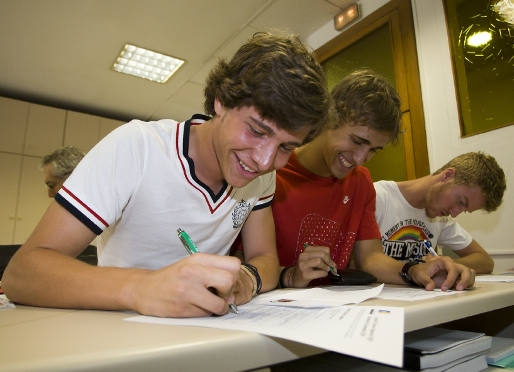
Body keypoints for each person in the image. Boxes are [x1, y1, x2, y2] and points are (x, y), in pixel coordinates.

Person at [2, 32, 332, 318]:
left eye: (286, 147)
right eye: (256, 130)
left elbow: (265, 258)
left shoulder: (262, 174)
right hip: (119, 328)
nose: (264, 160)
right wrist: (143, 287)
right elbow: (22, 273)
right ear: (221, 101)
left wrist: (247, 278)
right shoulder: (136, 146)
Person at [273, 69, 475, 291]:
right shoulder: (274, 172)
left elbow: (370, 259)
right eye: (357, 140)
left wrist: (414, 270)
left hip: (336, 309)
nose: (361, 159)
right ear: (328, 117)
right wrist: (290, 274)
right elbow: (248, 262)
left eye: (374, 150)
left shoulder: (360, 181)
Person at [375, 151, 505, 274]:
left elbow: (485, 261)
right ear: (447, 175)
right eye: (460, 202)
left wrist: (443, 264)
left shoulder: (441, 218)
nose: (454, 214)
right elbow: (361, 262)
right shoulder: (378, 197)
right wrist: (416, 269)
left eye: (464, 211)